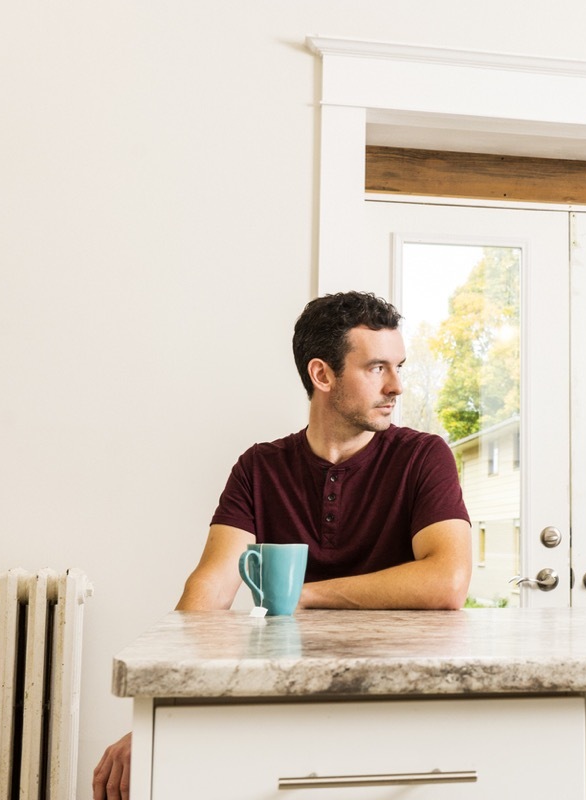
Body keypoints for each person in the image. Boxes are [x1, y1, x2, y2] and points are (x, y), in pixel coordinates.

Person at [93, 291, 472, 799]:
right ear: (322, 375)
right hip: (285, 697)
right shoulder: (259, 467)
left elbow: (447, 582)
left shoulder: (423, 457)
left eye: (399, 366)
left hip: (402, 703)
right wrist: (153, 716)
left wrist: (303, 595)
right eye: (377, 367)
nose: (397, 386)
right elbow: (210, 589)